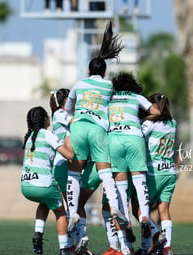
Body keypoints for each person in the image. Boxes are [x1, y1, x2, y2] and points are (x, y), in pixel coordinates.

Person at [64, 21, 127, 237]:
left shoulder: (80, 84)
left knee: (74, 171)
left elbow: (69, 106)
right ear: (104, 71)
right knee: (105, 171)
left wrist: (73, 119)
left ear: (89, 70)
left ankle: (73, 212)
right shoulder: (109, 86)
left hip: (79, 127)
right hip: (99, 130)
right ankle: (116, 208)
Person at [107, 72, 160, 255]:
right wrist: (140, 120)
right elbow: (156, 112)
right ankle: (144, 216)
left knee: (120, 188)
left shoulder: (110, 98)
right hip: (134, 138)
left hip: (114, 140)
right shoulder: (137, 97)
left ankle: (126, 222)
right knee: (140, 182)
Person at [20, 106, 75, 255]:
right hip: (43, 185)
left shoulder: (30, 136)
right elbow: (69, 155)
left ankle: (38, 233)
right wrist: (69, 141)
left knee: (44, 203)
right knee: (60, 212)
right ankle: (64, 248)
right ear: (45, 119)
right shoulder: (48, 135)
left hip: (26, 186)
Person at [136, 93, 177, 255]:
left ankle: (156, 236)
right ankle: (167, 249)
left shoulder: (150, 123)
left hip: (154, 172)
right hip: (169, 172)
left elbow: (138, 137)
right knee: (164, 210)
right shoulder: (173, 123)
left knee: (139, 209)